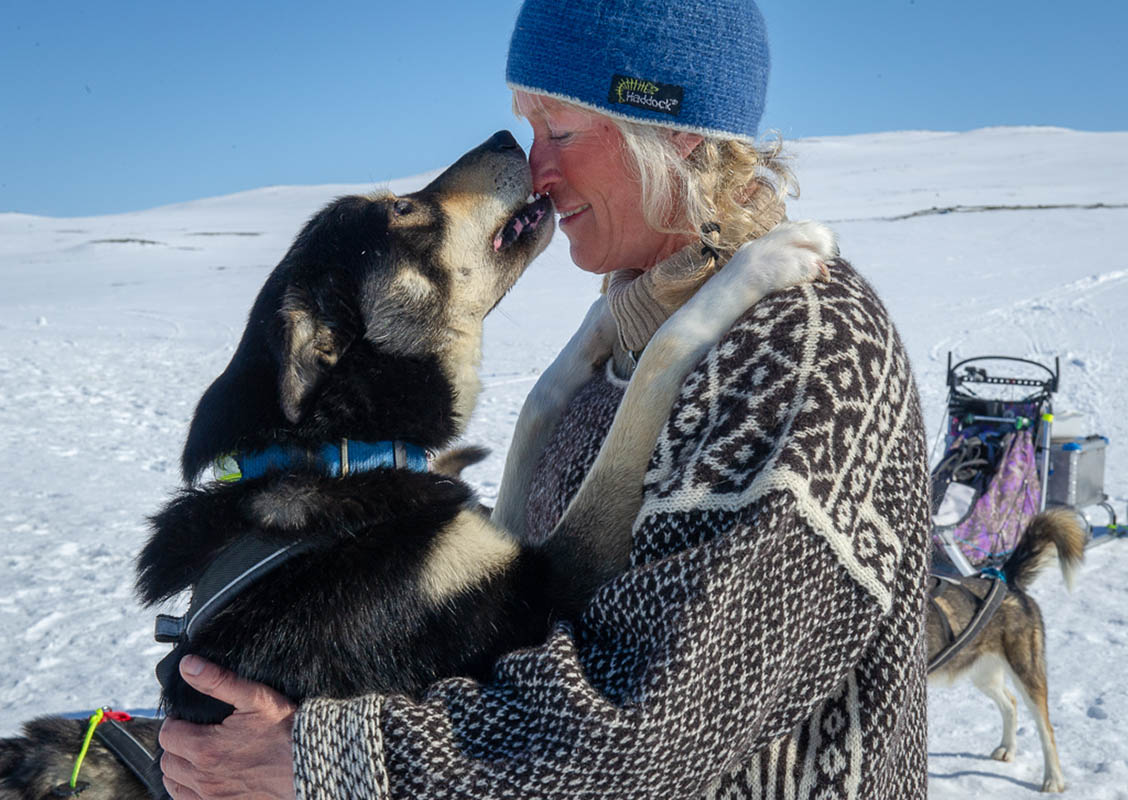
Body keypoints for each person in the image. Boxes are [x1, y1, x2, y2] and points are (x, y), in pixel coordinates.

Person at [158, 1, 932, 797]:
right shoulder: (622, 343)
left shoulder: (801, 352)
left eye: (558, 131)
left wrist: (324, 763)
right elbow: (530, 633)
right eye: (530, 130)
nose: (538, 168)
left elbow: (654, 725)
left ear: (675, 132)